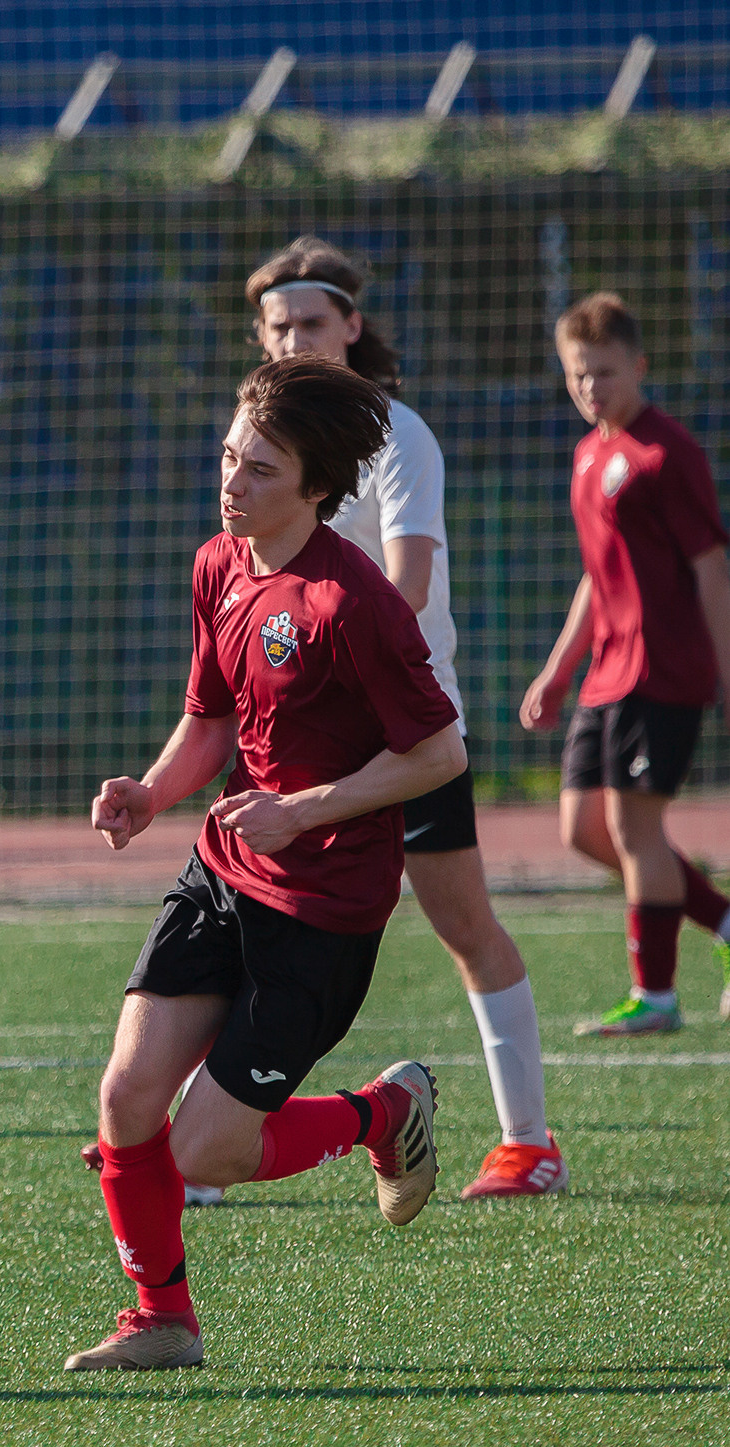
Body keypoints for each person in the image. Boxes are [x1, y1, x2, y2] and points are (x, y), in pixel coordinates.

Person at [71, 355, 466, 1373]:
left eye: (256, 469)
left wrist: (306, 811)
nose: (230, 483)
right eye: (226, 458)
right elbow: (210, 716)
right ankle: (160, 1321)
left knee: (203, 1150)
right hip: (221, 873)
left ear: (313, 486)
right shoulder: (217, 564)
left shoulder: (352, 600)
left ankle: (383, 1112)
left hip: (322, 907)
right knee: (123, 1099)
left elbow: (437, 751)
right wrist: (153, 795)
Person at [238, 236, 569, 1200]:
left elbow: (407, 583)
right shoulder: (256, 438)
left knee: (463, 923)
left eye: (312, 322)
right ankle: (205, 1139)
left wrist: (304, 650)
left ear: (351, 327)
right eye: (278, 325)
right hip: (297, 738)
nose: (296, 336)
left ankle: (528, 1143)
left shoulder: (396, 435)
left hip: (403, 740)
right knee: (246, 923)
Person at [521, 292, 730, 1036]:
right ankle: (726, 921)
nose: (590, 388)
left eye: (605, 373)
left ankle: (658, 997)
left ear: (639, 366)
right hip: (606, 674)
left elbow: (710, 568)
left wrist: (727, 674)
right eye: (578, 374)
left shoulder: (667, 453)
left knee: (637, 831)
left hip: (663, 669)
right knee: (585, 831)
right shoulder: (588, 455)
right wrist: (557, 671)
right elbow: (596, 575)